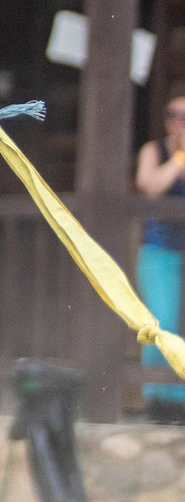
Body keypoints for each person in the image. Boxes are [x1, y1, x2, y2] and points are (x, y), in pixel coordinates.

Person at [136, 91, 185, 415]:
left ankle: (180, 400)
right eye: (173, 114)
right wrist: (179, 159)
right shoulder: (153, 150)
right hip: (159, 251)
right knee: (161, 321)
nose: (179, 122)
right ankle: (156, 397)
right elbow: (149, 185)